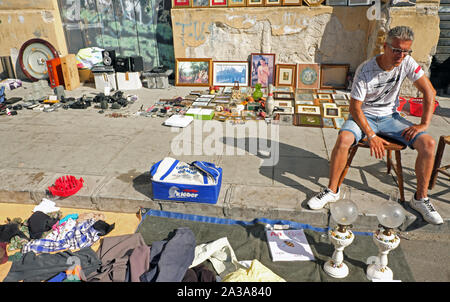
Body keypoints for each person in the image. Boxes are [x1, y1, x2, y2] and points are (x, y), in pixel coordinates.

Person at [307, 26, 443, 225]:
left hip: (390, 117)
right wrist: (370, 135)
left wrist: (424, 124)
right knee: (344, 138)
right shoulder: (366, 69)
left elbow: (429, 92)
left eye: (406, 51)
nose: (401, 55)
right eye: (397, 50)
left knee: (428, 144)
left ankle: (420, 199)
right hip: (364, 116)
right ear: (385, 46)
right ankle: (332, 191)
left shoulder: (407, 62)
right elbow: (355, 108)